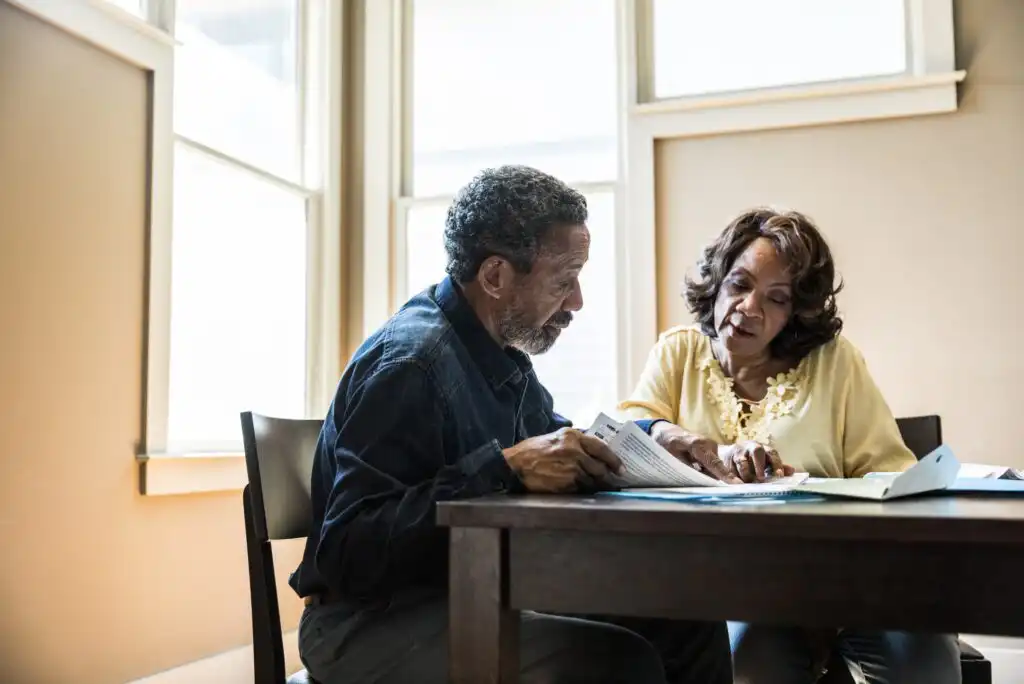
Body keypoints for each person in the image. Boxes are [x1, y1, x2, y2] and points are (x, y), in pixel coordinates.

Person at [290, 165, 733, 684]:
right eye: (563, 281)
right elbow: (348, 551)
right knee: (617, 661)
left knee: (688, 620)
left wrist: (659, 440)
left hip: (474, 590)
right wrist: (503, 469)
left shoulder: (500, 355)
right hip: (365, 623)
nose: (577, 302)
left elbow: (566, 446)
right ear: (496, 276)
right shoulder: (409, 363)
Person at [618, 207, 961, 684]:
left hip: (850, 583)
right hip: (734, 590)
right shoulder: (679, 351)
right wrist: (678, 436)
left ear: (796, 312)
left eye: (775, 299)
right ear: (717, 280)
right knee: (750, 661)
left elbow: (891, 476)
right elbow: (629, 422)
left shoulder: (834, 362)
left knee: (923, 658)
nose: (748, 308)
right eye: (738, 285)